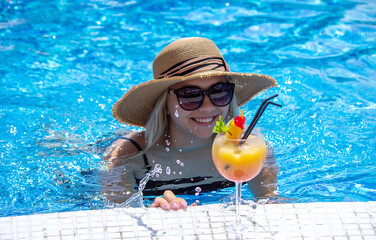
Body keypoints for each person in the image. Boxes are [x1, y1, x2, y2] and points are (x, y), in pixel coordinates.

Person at [101, 37, 279, 210]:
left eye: (219, 92)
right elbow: (114, 219)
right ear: (165, 104)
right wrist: (150, 211)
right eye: (190, 95)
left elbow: (273, 206)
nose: (208, 107)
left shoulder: (249, 148)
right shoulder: (129, 156)